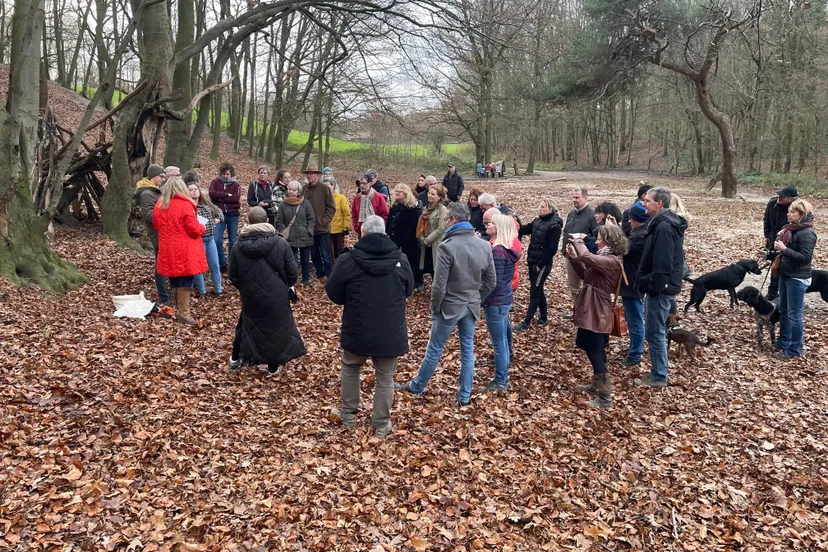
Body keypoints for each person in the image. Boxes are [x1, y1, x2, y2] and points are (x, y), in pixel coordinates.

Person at [396, 202, 496, 406]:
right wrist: (477, 298)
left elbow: (439, 286)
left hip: (449, 307)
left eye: (447, 218)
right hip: (470, 306)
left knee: (435, 349)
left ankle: (417, 386)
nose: (445, 221)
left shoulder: (447, 246)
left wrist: (435, 307)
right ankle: (464, 396)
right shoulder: (484, 245)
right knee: (467, 350)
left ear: (453, 220)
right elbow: (490, 281)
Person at [326, 215, 414, 437]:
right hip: (389, 330)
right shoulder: (401, 260)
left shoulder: (348, 261)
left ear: (362, 233)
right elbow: (409, 289)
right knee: (385, 377)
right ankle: (381, 423)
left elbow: (334, 292)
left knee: (351, 367)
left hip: (358, 327)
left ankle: (349, 415)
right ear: (385, 234)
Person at [229, 207, 306, 375]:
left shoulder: (237, 246)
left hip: (249, 294)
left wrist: (246, 287)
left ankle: (236, 357)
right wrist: (286, 284)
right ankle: (273, 366)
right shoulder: (280, 242)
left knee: (247, 323)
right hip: (277, 292)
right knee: (276, 327)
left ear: (248, 222)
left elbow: (233, 276)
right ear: (267, 221)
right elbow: (292, 272)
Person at [567, 224, 627, 408]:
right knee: (593, 348)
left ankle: (604, 397)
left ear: (609, 240)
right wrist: (574, 259)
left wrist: (579, 239)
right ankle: (598, 384)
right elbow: (587, 275)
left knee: (595, 349)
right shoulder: (603, 257)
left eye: (600, 238)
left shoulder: (612, 260)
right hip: (592, 306)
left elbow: (587, 256)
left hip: (597, 309)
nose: (597, 241)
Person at [636, 186, 687, 387]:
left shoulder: (665, 227)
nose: (643, 203)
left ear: (659, 203)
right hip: (660, 286)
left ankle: (659, 376)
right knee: (654, 330)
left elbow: (663, 263)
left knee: (654, 331)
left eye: (647, 200)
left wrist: (654, 286)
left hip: (660, 289)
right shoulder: (661, 223)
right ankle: (658, 372)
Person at [152, 176, 208, 325]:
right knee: (185, 281)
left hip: (167, 248)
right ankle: (184, 314)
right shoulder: (186, 205)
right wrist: (203, 227)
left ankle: (178, 311)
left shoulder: (159, 205)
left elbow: (157, 225)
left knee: (174, 279)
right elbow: (194, 229)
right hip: (184, 248)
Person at [772, 198, 816, 361]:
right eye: (789, 211)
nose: (788, 214)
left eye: (793, 212)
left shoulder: (807, 233)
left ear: (802, 215)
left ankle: (795, 349)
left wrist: (784, 249)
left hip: (797, 278)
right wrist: (772, 254)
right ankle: (783, 342)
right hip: (786, 274)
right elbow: (787, 253)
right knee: (784, 310)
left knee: (794, 314)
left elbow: (805, 258)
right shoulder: (790, 230)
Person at [482, 214, 520, 392]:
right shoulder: (504, 248)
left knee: (499, 343)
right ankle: (502, 377)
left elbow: (493, 281)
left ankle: (501, 380)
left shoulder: (497, 251)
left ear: (499, 228)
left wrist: (480, 297)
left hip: (496, 301)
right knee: (503, 339)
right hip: (503, 299)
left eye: (492, 223)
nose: (488, 225)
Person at [514, 199, 563, 331]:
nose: (540, 209)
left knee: (535, 291)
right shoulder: (538, 220)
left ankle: (527, 321)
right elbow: (524, 229)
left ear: (550, 209)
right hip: (532, 260)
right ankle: (544, 316)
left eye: (543, 207)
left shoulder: (554, 226)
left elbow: (552, 249)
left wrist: (540, 264)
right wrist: (514, 218)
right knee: (538, 288)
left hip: (542, 264)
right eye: (539, 206)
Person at [616, 202, 649, 366]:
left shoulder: (640, 236)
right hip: (632, 281)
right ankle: (634, 349)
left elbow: (622, 248)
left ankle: (635, 354)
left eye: (631, 219)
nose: (629, 221)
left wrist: (614, 230)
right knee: (633, 318)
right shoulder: (638, 232)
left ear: (638, 219)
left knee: (635, 320)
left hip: (634, 283)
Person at [133, 163, 171, 305]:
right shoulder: (146, 193)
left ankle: (167, 293)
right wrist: (167, 214)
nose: (162, 179)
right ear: (153, 176)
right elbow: (149, 215)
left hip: (163, 232)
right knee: (160, 266)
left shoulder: (154, 191)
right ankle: (164, 296)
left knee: (164, 264)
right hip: (157, 234)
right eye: (161, 177)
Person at [562, 187, 598, 315]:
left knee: (588, 285)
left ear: (586, 198)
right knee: (574, 286)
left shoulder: (592, 215)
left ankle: (588, 312)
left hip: (585, 257)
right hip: (570, 256)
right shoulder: (572, 214)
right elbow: (566, 232)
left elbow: (597, 237)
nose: (574, 200)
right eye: (573, 197)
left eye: (577, 197)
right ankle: (578, 310)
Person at [186, 172, 223, 297]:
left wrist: (217, 220)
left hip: (210, 238)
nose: (194, 191)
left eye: (195, 189)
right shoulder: (188, 206)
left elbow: (219, 211)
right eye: (190, 190)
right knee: (199, 267)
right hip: (198, 239)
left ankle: (219, 290)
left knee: (214, 265)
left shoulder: (205, 202)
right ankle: (202, 291)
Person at [275, 181, 316, 286]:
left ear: (298, 191)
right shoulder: (283, 205)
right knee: (291, 261)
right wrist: (284, 231)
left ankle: (305, 279)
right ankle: (292, 280)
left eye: (294, 190)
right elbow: (279, 220)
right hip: (290, 237)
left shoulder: (305, 203)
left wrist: (309, 231)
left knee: (305, 261)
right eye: (289, 189)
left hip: (304, 236)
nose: (291, 192)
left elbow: (311, 219)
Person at [762, 186, 798, 300]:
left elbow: (799, 223)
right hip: (773, 237)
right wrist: (767, 235)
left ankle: (787, 292)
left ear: (791, 199)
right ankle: (772, 292)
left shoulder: (797, 208)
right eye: (779, 195)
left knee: (786, 265)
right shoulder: (772, 202)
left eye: (783, 196)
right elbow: (766, 219)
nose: (779, 197)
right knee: (775, 265)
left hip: (789, 240)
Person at [302, 164, 335, 281]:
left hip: (322, 229)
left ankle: (329, 274)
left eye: (311, 174)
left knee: (326, 254)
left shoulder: (325, 188)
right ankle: (319, 272)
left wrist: (324, 221)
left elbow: (331, 207)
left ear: (317, 175)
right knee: (314, 254)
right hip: (309, 229)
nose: (309, 176)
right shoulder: (304, 189)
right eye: (308, 174)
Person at [209, 163, 241, 273]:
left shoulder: (236, 185)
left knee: (233, 241)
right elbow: (212, 195)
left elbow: (236, 199)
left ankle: (232, 264)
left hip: (232, 215)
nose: (226, 176)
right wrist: (227, 195)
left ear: (231, 174)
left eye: (228, 174)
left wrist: (220, 197)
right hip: (219, 215)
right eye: (224, 174)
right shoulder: (215, 182)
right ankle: (222, 263)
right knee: (217, 240)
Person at [388, 184, 422, 289]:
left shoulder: (412, 209)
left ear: (406, 194)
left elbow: (412, 228)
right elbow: (389, 223)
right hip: (394, 241)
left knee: (409, 264)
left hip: (408, 242)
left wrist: (401, 240)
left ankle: (410, 284)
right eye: (396, 191)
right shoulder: (394, 207)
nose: (397, 193)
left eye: (400, 191)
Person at [417, 184, 448, 284]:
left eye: (433, 194)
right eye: (429, 193)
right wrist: (421, 239)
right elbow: (421, 225)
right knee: (426, 268)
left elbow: (441, 228)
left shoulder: (443, 210)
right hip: (425, 246)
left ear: (439, 197)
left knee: (436, 271)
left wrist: (428, 240)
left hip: (436, 245)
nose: (430, 195)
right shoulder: (425, 209)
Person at [326, 177, 351, 261]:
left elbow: (346, 213)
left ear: (333, 186)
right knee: (328, 250)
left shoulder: (341, 198)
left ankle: (341, 264)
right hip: (326, 229)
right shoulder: (323, 198)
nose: (326, 187)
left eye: (328, 185)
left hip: (339, 229)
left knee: (339, 249)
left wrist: (345, 227)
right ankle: (331, 267)